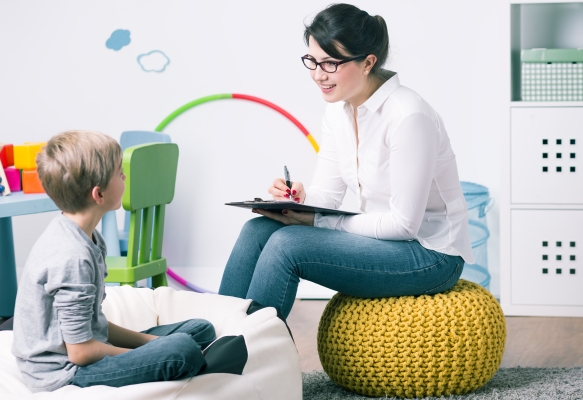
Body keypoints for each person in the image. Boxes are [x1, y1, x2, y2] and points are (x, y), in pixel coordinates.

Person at [219, 3, 474, 319]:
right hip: (380, 240)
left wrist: (315, 220)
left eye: (330, 64)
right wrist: (299, 201)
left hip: (429, 255)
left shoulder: (409, 116)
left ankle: (249, 353)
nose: (317, 75)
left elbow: (404, 225)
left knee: (287, 244)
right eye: (311, 61)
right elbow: (326, 197)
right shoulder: (338, 110)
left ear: (368, 62)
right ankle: (215, 337)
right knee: (257, 229)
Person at [11, 130, 215, 392]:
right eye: (119, 173)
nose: (125, 177)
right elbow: (80, 352)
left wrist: (150, 343)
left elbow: (97, 324)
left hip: (86, 347)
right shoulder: (71, 256)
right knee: (182, 350)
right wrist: (154, 349)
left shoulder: (88, 236)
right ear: (99, 194)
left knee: (201, 329)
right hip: (64, 372)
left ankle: (176, 350)